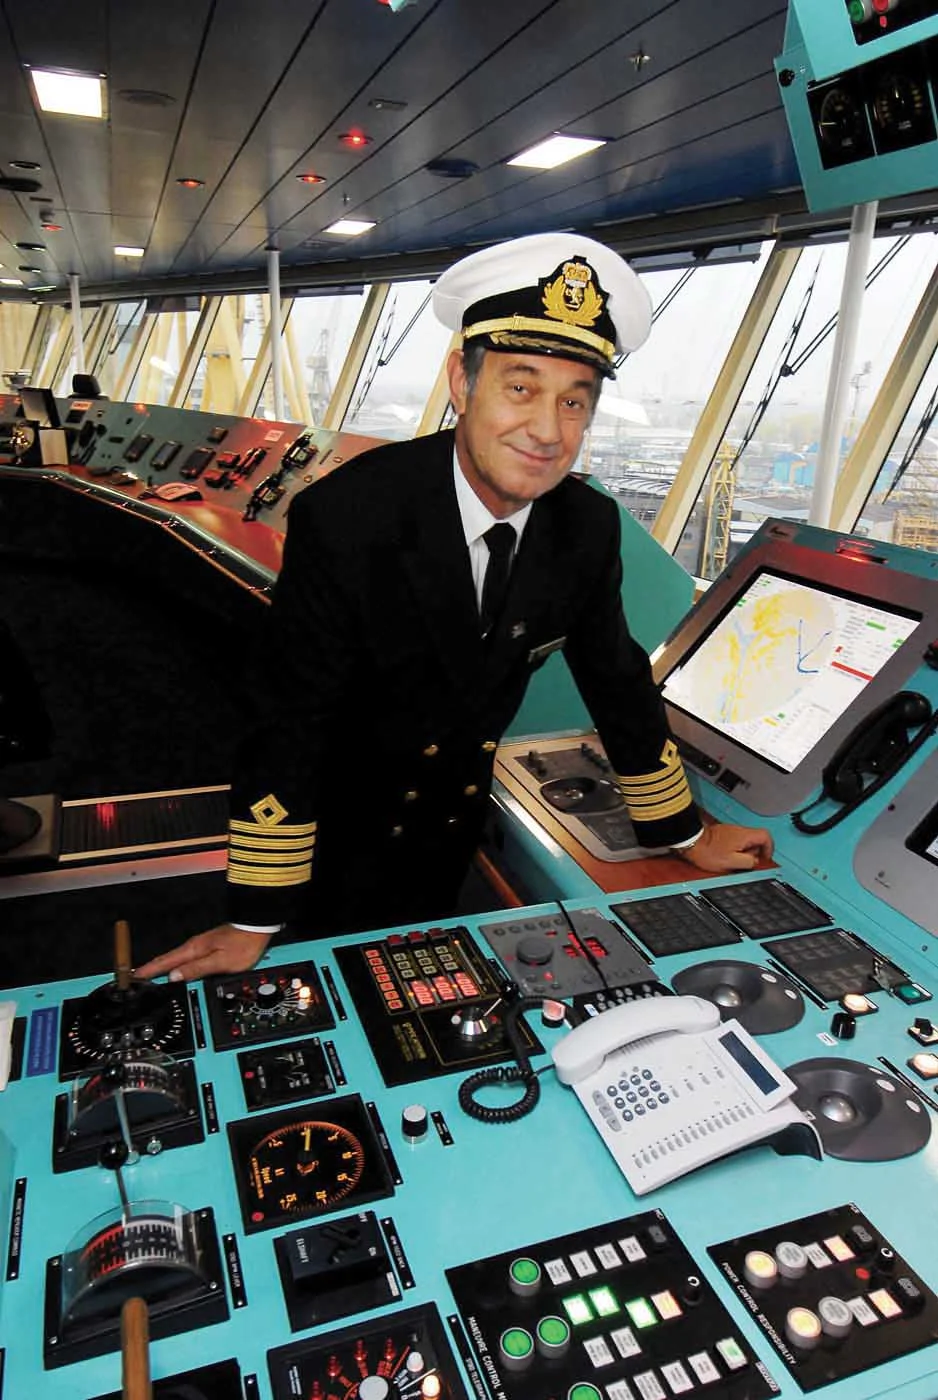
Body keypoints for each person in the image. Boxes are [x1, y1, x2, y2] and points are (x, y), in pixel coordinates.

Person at [137, 232, 771, 983]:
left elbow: (616, 677)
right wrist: (256, 911)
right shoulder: (351, 514)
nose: (547, 430)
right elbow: (290, 716)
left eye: (575, 401)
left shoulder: (583, 525)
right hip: (340, 828)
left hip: (452, 825)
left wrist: (681, 829)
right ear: (461, 384)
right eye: (521, 387)